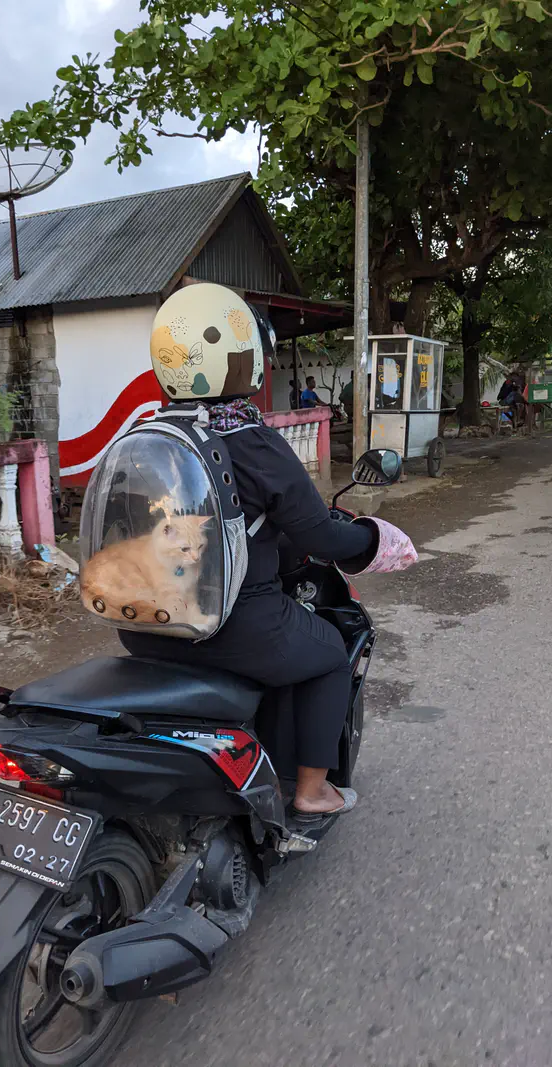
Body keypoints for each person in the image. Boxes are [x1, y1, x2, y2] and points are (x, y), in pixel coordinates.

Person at [120, 284, 416, 824]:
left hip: (146, 625)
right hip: (234, 626)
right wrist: (375, 541)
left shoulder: (151, 437)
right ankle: (312, 792)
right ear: (245, 360)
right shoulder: (250, 440)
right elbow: (320, 537)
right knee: (329, 653)